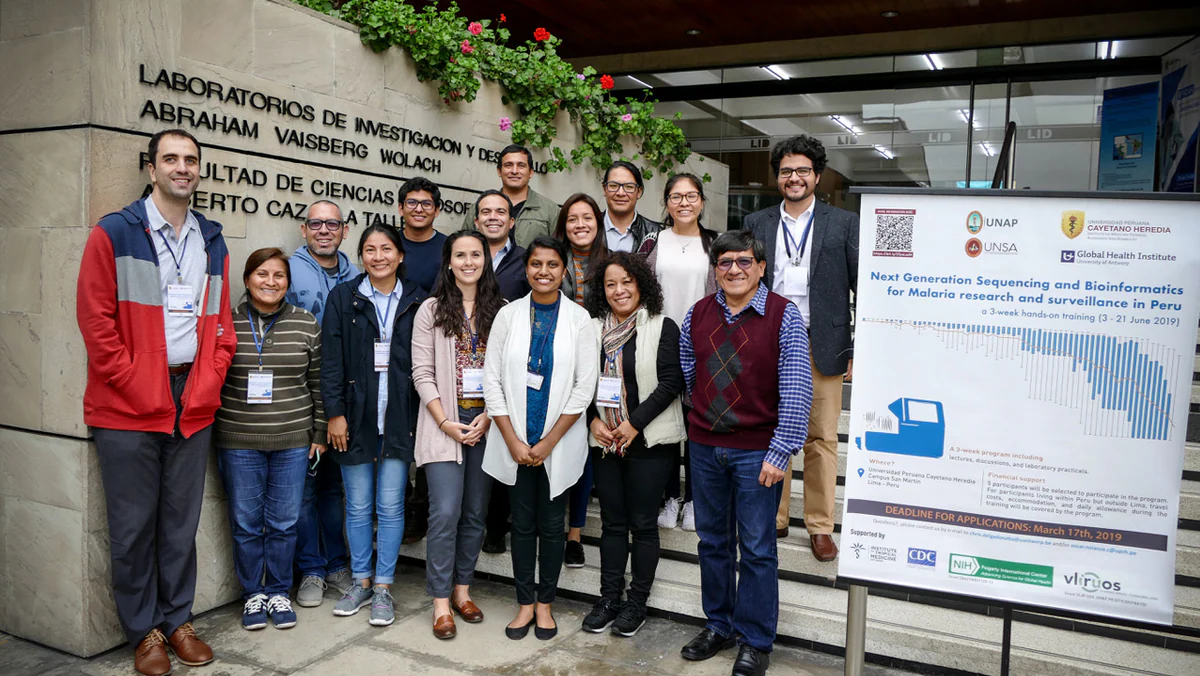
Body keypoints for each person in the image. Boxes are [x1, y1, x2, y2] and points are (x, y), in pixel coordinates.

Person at [77, 129, 234, 676]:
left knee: (179, 523)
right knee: (132, 525)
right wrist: (138, 383)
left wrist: (209, 378)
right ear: (151, 168)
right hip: (127, 404)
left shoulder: (211, 239)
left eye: (191, 160)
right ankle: (143, 631)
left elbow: (222, 326)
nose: (182, 168)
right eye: (171, 158)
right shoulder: (114, 233)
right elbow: (96, 323)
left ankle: (178, 620)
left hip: (191, 398)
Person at [678, 230, 813, 676]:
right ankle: (719, 624)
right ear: (715, 270)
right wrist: (702, 421)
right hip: (704, 448)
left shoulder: (783, 316)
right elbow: (688, 371)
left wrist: (780, 451)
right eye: (725, 262)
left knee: (756, 549)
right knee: (712, 542)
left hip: (758, 452)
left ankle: (755, 640)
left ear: (760, 267)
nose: (734, 269)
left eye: (743, 261)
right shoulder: (697, 313)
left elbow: (796, 390)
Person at [744, 135, 858, 559]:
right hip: (767, 340)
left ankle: (819, 525)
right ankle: (774, 517)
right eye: (787, 171)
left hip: (821, 341)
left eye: (803, 171)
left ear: (817, 175)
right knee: (772, 431)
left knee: (822, 436)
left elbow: (860, 285)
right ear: (778, 177)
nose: (794, 177)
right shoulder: (757, 223)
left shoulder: (844, 224)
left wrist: (855, 348)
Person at [481, 236, 598, 641]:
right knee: (522, 526)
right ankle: (524, 603)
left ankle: (546, 605)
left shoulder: (579, 319)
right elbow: (491, 381)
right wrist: (513, 440)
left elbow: (585, 387)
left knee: (552, 526)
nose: (543, 272)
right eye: (536, 264)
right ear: (526, 268)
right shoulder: (507, 316)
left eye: (552, 265)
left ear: (563, 271)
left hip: (557, 443)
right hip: (514, 442)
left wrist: (548, 442)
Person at [321, 224, 428, 627]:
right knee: (359, 505)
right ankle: (361, 580)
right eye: (369, 249)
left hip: (400, 417)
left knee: (390, 505)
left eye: (386, 249)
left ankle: (383, 586)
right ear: (361, 255)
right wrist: (335, 413)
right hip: (356, 417)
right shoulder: (343, 297)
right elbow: (331, 361)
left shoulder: (419, 300)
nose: (378, 256)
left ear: (400, 256)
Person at [215, 248, 326, 631]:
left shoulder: (306, 322)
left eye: (279, 275)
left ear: (288, 283)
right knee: (246, 523)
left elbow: (318, 384)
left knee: (283, 521)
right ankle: (252, 595)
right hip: (239, 439)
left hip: (293, 440)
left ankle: (278, 590)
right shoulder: (225, 323)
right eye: (262, 274)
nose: (271, 282)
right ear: (247, 280)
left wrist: (319, 433)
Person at [580, 253, 684, 638]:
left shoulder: (662, 326)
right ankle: (609, 599)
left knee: (642, 526)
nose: (619, 290)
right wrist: (593, 419)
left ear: (641, 284)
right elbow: (580, 382)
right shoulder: (591, 330)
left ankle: (636, 603)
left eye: (626, 281)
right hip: (604, 440)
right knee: (611, 523)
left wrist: (632, 424)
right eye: (610, 284)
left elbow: (671, 383)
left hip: (649, 442)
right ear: (601, 291)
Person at [411, 231, 505, 639]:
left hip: (487, 423)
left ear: (486, 260)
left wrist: (488, 415)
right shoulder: (430, 310)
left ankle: (463, 591)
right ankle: (439, 602)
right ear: (448, 262)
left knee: (474, 514)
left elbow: (505, 372)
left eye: (476, 255)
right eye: (460, 255)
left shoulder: (501, 310)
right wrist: (446, 421)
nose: (469, 262)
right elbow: (421, 373)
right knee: (445, 512)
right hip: (443, 422)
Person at [286, 201, 357, 609]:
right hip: (302, 402)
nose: (324, 231)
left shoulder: (358, 275)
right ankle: (310, 568)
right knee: (303, 494)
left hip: (344, 405)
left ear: (344, 231)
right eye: (316, 224)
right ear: (304, 229)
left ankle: (335, 564)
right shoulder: (288, 271)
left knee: (334, 491)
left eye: (332, 224)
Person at [637, 173, 718, 533]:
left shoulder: (715, 244)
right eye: (675, 196)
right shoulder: (653, 241)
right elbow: (637, 288)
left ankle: (696, 500)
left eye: (691, 196)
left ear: (701, 201)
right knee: (666, 421)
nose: (683, 202)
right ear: (666, 203)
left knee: (697, 425)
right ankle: (670, 497)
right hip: (659, 343)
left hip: (704, 344)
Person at [553, 193, 608, 567]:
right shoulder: (552, 259)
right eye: (572, 219)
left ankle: (575, 533)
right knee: (561, 438)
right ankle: (553, 524)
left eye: (587, 217)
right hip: (559, 357)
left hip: (602, 358)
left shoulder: (611, 262)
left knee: (586, 442)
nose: (580, 224)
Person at [472, 189, 529, 555]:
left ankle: (498, 525)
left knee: (505, 441)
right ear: (477, 221)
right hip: (467, 364)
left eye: (500, 212)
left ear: (511, 221)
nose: (493, 217)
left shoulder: (526, 261)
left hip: (511, 364)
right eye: (485, 212)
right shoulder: (465, 254)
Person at [398, 176, 449, 546]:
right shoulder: (388, 244)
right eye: (412, 202)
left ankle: (421, 504)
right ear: (401, 208)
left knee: (433, 426)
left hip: (436, 354)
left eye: (426, 203)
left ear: (436, 209)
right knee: (399, 428)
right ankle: (400, 501)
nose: (418, 208)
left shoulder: (447, 248)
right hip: (391, 351)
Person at [461, 144, 559, 248]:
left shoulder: (549, 210)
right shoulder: (478, 208)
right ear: (499, 171)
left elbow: (559, 252)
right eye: (508, 165)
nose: (514, 171)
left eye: (521, 165)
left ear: (531, 172)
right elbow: (462, 245)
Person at [600, 161, 660, 252]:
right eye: (613, 186)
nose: (620, 193)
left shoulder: (655, 233)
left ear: (639, 192)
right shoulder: (588, 227)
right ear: (604, 189)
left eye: (629, 187)